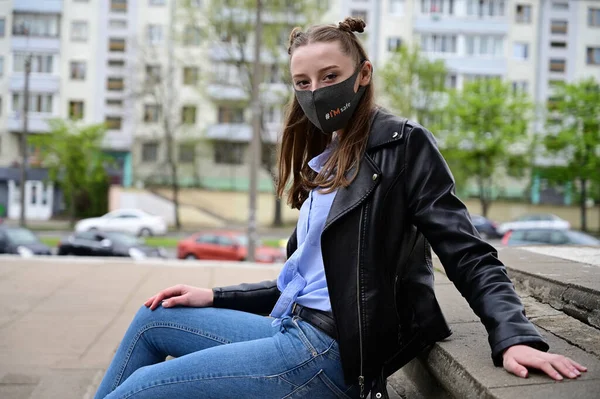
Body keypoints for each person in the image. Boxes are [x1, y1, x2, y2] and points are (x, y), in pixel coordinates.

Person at [94, 17, 586, 399]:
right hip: (290, 327)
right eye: (302, 83)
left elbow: (468, 251)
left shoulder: (403, 146)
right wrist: (216, 297)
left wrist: (513, 335)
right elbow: (310, 280)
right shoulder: (328, 158)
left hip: (329, 354)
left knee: (138, 393)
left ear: (362, 74)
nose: (316, 92)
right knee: (152, 319)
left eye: (330, 76)